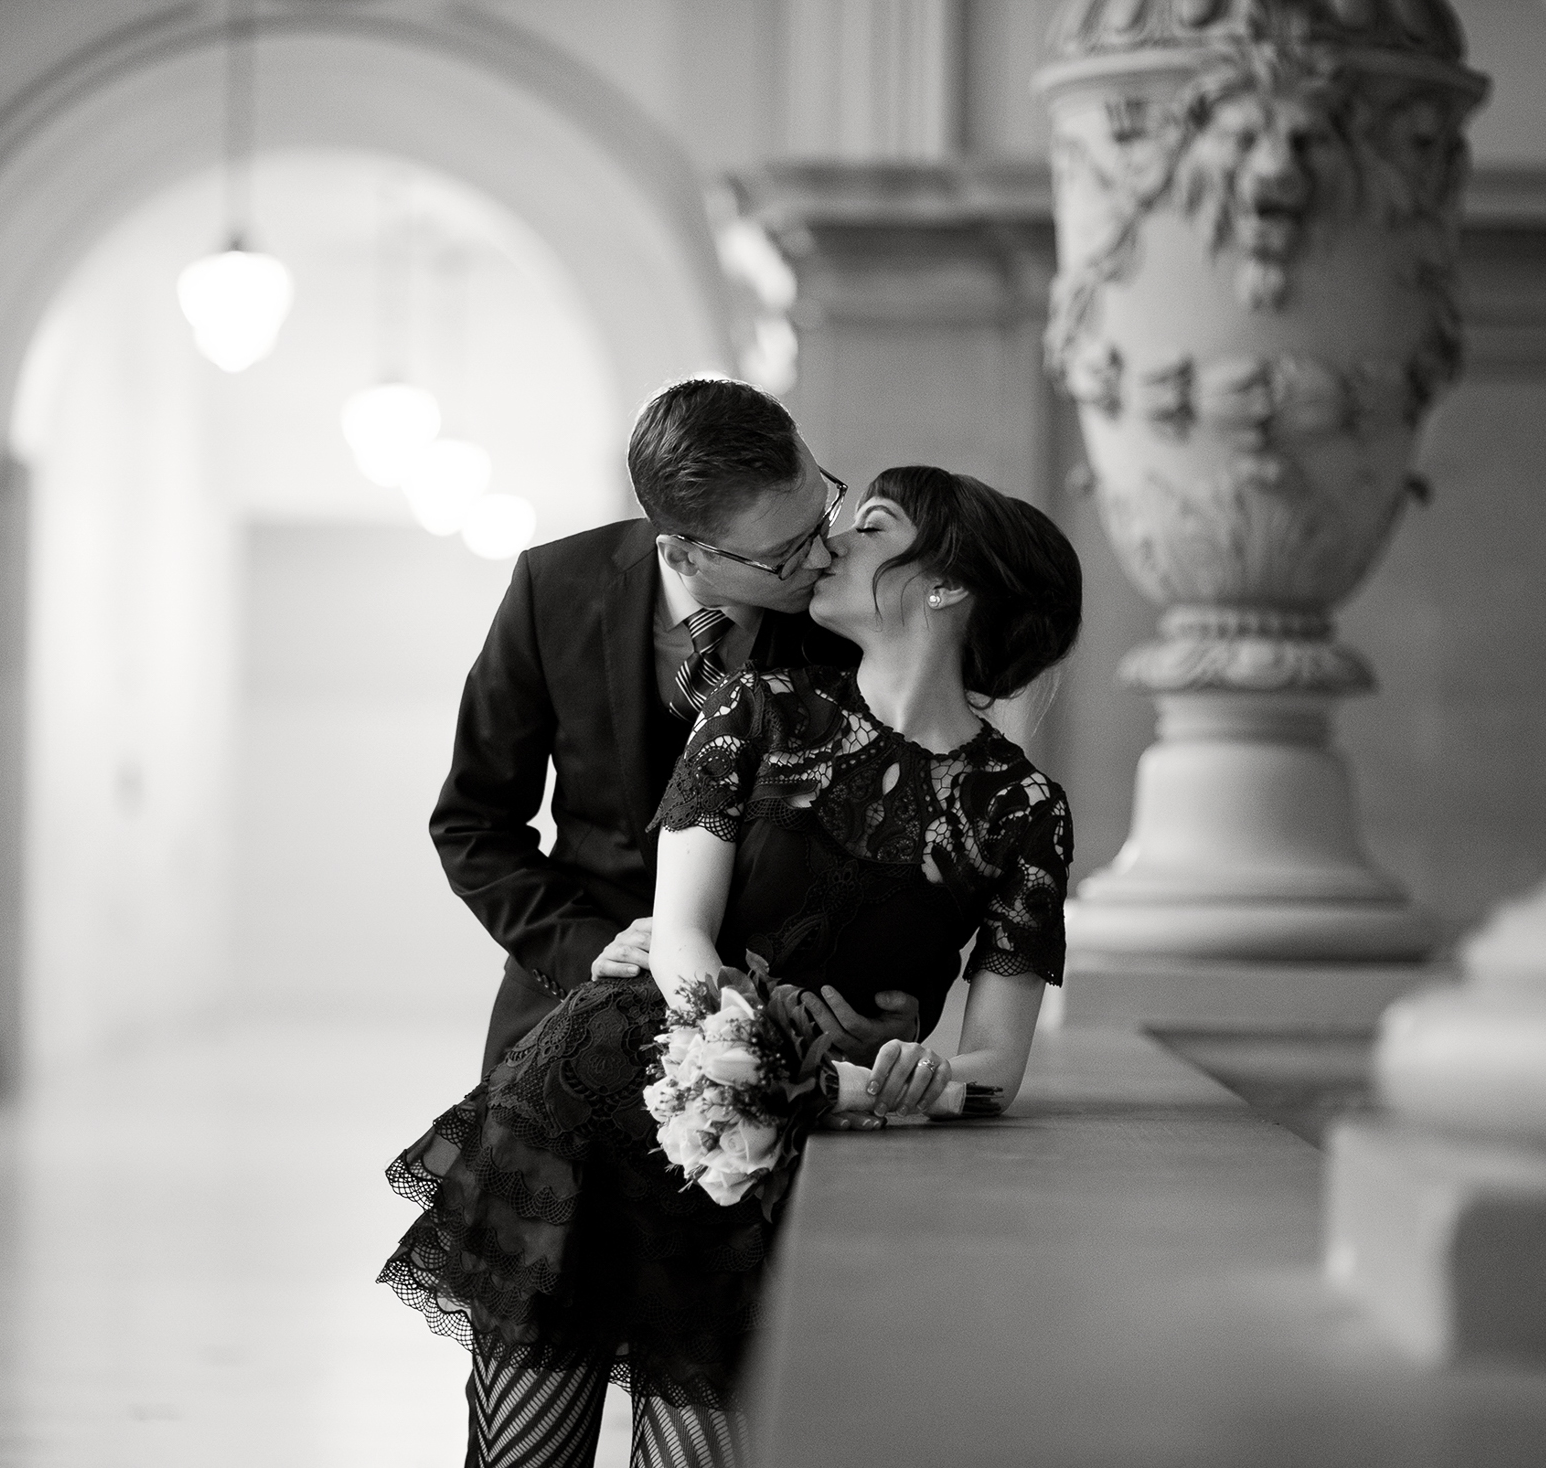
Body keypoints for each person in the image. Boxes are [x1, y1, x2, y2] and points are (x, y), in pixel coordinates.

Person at [384, 465, 1082, 1467]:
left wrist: (914, 1088)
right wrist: (811, 1079)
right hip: (590, 1102)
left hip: (759, 1168)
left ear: (945, 585)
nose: (832, 543)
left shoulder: (1025, 812)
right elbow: (679, 942)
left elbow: (994, 1068)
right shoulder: (759, 706)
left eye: (868, 527)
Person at [432, 377, 920, 1078]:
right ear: (685, 553)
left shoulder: (846, 624)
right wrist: (584, 948)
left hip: (785, 1036)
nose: (821, 558)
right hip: (571, 1021)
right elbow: (473, 824)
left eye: (825, 514)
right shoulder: (555, 589)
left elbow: (902, 839)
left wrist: (905, 1004)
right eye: (785, 552)